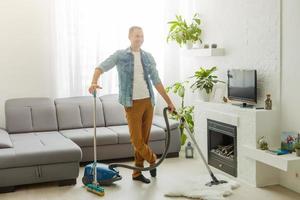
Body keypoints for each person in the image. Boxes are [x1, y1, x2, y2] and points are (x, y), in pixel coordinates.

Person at [88, 26, 175, 184]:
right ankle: (153, 160)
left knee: (144, 139)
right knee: (137, 140)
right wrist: (94, 82)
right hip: (132, 103)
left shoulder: (148, 57)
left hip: (148, 101)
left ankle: (137, 173)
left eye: (142, 36)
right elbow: (100, 67)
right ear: (129, 37)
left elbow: (156, 81)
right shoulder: (120, 55)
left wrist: (169, 101)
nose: (140, 39)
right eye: (137, 36)